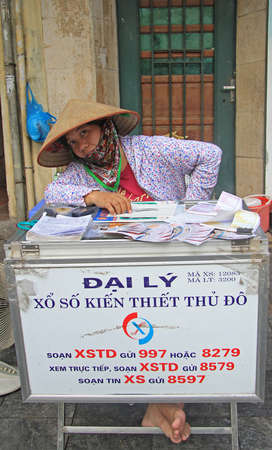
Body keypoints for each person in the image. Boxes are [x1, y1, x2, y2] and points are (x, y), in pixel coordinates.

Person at [38, 99, 222, 444]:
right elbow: (53, 191)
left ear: (106, 127)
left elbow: (209, 154)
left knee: (172, 318)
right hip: (123, 260)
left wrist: (189, 208)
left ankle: (165, 403)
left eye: (86, 133)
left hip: (169, 253)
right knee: (134, 324)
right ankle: (159, 403)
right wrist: (93, 194)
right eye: (74, 142)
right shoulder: (80, 172)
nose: (82, 146)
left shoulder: (148, 149)